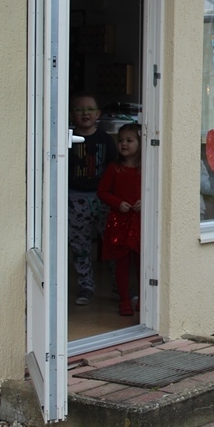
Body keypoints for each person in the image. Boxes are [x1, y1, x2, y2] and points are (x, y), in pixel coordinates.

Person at [67, 92, 117, 305]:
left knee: (113, 243)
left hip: (103, 198)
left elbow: (114, 167)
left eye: (89, 109)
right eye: (79, 110)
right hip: (75, 198)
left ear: (98, 114)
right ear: (71, 114)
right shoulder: (66, 138)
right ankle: (86, 286)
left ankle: (119, 286)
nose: (85, 114)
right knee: (80, 246)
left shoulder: (105, 139)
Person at [98, 123, 142, 316]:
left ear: (141, 143)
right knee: (122, 263)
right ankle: (124, 299)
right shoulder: (114, 168)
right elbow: (102, 191)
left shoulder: (146, 168)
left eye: (129, 140)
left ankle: (144, 297)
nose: (124, 144)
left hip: (140, 222)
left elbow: (156, 190)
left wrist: (145, 202)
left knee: (142, 262)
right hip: (120, 221)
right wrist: (118, 203)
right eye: (121, 140)